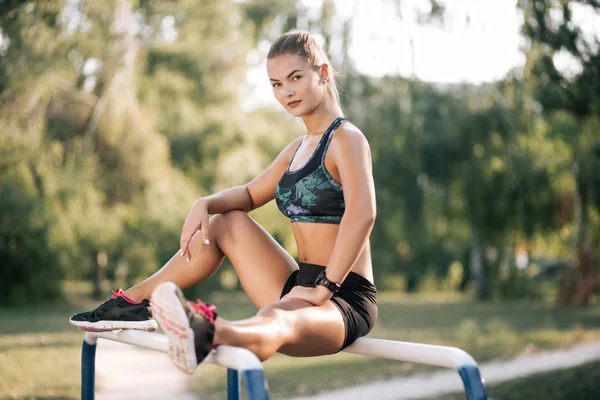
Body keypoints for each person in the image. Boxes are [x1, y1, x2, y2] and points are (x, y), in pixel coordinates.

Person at [69, 31, 378, 374]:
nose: (286, 92)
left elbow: (362, 215)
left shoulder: (346, 139)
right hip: (300, 283)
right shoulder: (297, 148)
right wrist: (205, 203)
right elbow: (248, 195)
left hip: (343, 297)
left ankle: (204, 330)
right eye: (276, 84)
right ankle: (134, 302)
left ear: (321, 72)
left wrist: (325, 288)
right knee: (226, 221)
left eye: (295, 78)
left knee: (276, 319)